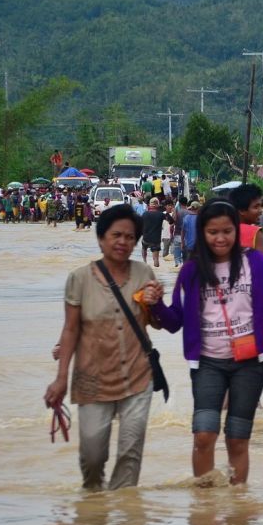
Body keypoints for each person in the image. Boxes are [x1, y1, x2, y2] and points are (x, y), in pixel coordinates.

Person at [151, 202, 263, 485]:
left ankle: (239, 512)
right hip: (207, 363)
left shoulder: (257, 264)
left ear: (238, 232)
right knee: (203, 436)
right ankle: (205, 509)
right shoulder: (191, 271)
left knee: (237, 440)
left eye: (227, 231)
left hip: (249, 364)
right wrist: (155, 306)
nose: (221, 238)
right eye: (213, 232)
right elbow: (175, 322)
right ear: (202, 233)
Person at [43, 204, 164, 490]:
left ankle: (127, 521)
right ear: (101, 239)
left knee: (130, 453)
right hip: (92, 379)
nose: (123, 242)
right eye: (116, 235)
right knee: (93, 456)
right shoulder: (79, 279)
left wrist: (155, 303)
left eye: (130, 237)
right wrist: (61, 378)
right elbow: (70, 329)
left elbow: (157, 323)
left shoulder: (144, 272)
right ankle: (94, 510)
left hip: (137, 376)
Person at [230, 183, 263, 254]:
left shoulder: (226, 231)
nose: (261, 211)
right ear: (241, 210)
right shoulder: (254, 233)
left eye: (261, 206)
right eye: (256, 207)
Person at [140, 197, 164, 268]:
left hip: (146, 238)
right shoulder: (161, 214)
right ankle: (156, 264)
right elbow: (171, 221)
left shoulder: (145, 214)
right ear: (157, 205)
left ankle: (144, 261)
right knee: (156, 260)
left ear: (149, 205)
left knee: (144, 247)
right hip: (156, 240)